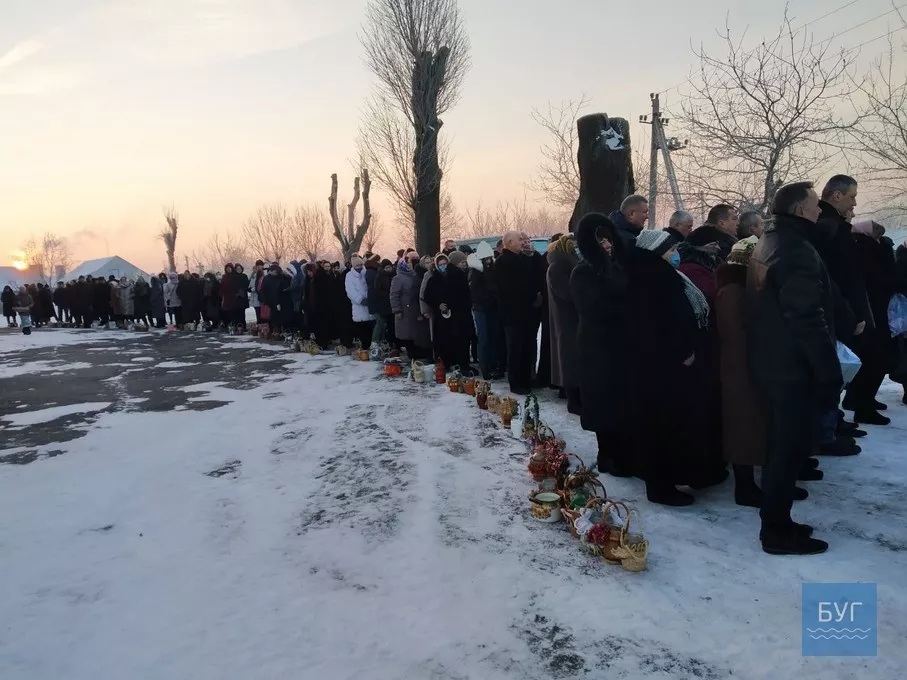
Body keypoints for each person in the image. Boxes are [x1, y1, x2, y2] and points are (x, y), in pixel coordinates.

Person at [746, 181, 840, 555]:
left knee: (780, 449)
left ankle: (778, 521)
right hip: (791, 368)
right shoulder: (794, 249)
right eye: (816, 205)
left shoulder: (772, 240)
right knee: (786, 451)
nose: (820, 211)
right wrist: (829, 371)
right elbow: (807, 318)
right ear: (800, 211)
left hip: (774, 362)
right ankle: (775, 532)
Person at [624, 229, 708, 506]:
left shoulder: (658, 274)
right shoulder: (651, 279)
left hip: (660, 365)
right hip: (660, 366)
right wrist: (681, 352)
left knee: (665, 424)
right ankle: (661, 487)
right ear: (655, 252)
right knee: (660, 425)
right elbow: (658, 325)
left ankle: (666, 479)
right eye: (670, 250)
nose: (675, 254)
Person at [569, 213, 630, 476]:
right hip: (598, 346)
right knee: (604, 400)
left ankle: (622, 452)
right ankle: (607, 455)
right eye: (600, 240)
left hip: (619, 344)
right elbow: (592, 307)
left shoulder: (616, 266)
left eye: (609, 239)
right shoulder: (583, 272)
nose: (607, 245)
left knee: (620, 400)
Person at [496, 231, 541, 394]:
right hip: (513, 314)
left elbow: (533, 276)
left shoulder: (521, 258)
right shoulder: (503, 262)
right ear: (509, 242)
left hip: (527, 311)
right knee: (515, 348)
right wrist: (531, 295)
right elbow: (510, 288)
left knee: (527, 347)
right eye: (520, 240)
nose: (523, 242)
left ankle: (526, 379)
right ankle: (515, 383)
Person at [547, 234, 582, 414]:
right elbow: (567, 293)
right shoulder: (558, 267)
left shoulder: (567, 264)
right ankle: (574, 401)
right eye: (573, 246)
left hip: (574, 319)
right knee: (570, 360)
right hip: (567, 321)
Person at [423, 251, 473, 371]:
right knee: (444, 340)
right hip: (442, 316)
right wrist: (438, 304)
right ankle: (446, 362)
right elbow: (427, 296)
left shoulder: (457, 275)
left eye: (445, 263)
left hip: (458, 314)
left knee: (460, 338)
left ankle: (462, 363)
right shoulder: (433, 279)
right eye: (440, 264)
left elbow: (465, 293)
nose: (443, 266)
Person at [468, 241, 501, 380]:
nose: (488, 261)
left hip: (492, 308)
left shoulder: (492, 270)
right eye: (485, 259)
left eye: (489, 258)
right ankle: (485, 368)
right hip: (481, 309)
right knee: (484, 338)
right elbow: (475, 293)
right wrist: (491, 296)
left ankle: (492, 365)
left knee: (492, 337)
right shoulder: (475, 272)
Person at [390, 252, 432, 360]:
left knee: (415, 332)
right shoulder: (398, 278)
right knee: (407, 334)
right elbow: (394, 295)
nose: (410, 264)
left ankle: (418, 353)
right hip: (405, 310)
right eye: (408, 262)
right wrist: (397, 310)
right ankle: (412, 354)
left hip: (413, 308)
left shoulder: (414, 275)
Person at [345, 256, 375, 349]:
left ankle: (371, 346)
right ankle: (365, 347)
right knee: (362, 328)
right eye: (357, 265)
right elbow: (350, 291)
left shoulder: (366, 272)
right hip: (359, 306)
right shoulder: (349, 276)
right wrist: (360, 300)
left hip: (370, 304)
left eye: (361, 265)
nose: (360, 267)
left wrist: (370, 298)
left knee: (371, 327)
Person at [372, 259, 396, 346]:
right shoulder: (379, 276)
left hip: (394, 303)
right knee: (388, 324)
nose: (388, 269)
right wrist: (388, 294)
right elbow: (377, 290)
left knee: (394, 324)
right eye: (386, 267)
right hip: (385, 304)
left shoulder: (395, 274)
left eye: (389, 267)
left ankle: (395, 343)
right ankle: (389, 342)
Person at [233, 264, 250, 330]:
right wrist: (237, 291)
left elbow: (247, 285)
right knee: (236, 312)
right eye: (237, 269)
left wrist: (242, 291)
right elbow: (232, 285)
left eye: (240, 268)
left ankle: (243, 326)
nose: (239, 270)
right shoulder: (233, 276)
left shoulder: (244, 276)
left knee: (242, 313)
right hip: (235, 297)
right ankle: (237, 326)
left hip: (243, 297)